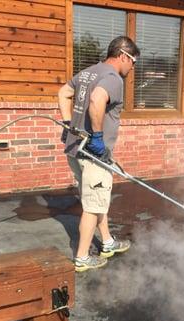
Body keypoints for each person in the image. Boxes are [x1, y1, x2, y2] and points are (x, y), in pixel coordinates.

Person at [58, 36, 140, 272]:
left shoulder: (87, 72)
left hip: (75, 150)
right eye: (132, 62)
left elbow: (63, 93)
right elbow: (97, 99)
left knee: (96, 198)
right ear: (123, 56)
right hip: (92, 154)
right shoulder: (113, 78)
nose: (132, 67)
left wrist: (67, 124)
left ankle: (107, 242)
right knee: (93, 207)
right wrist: (96, 136)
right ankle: (82, 257)